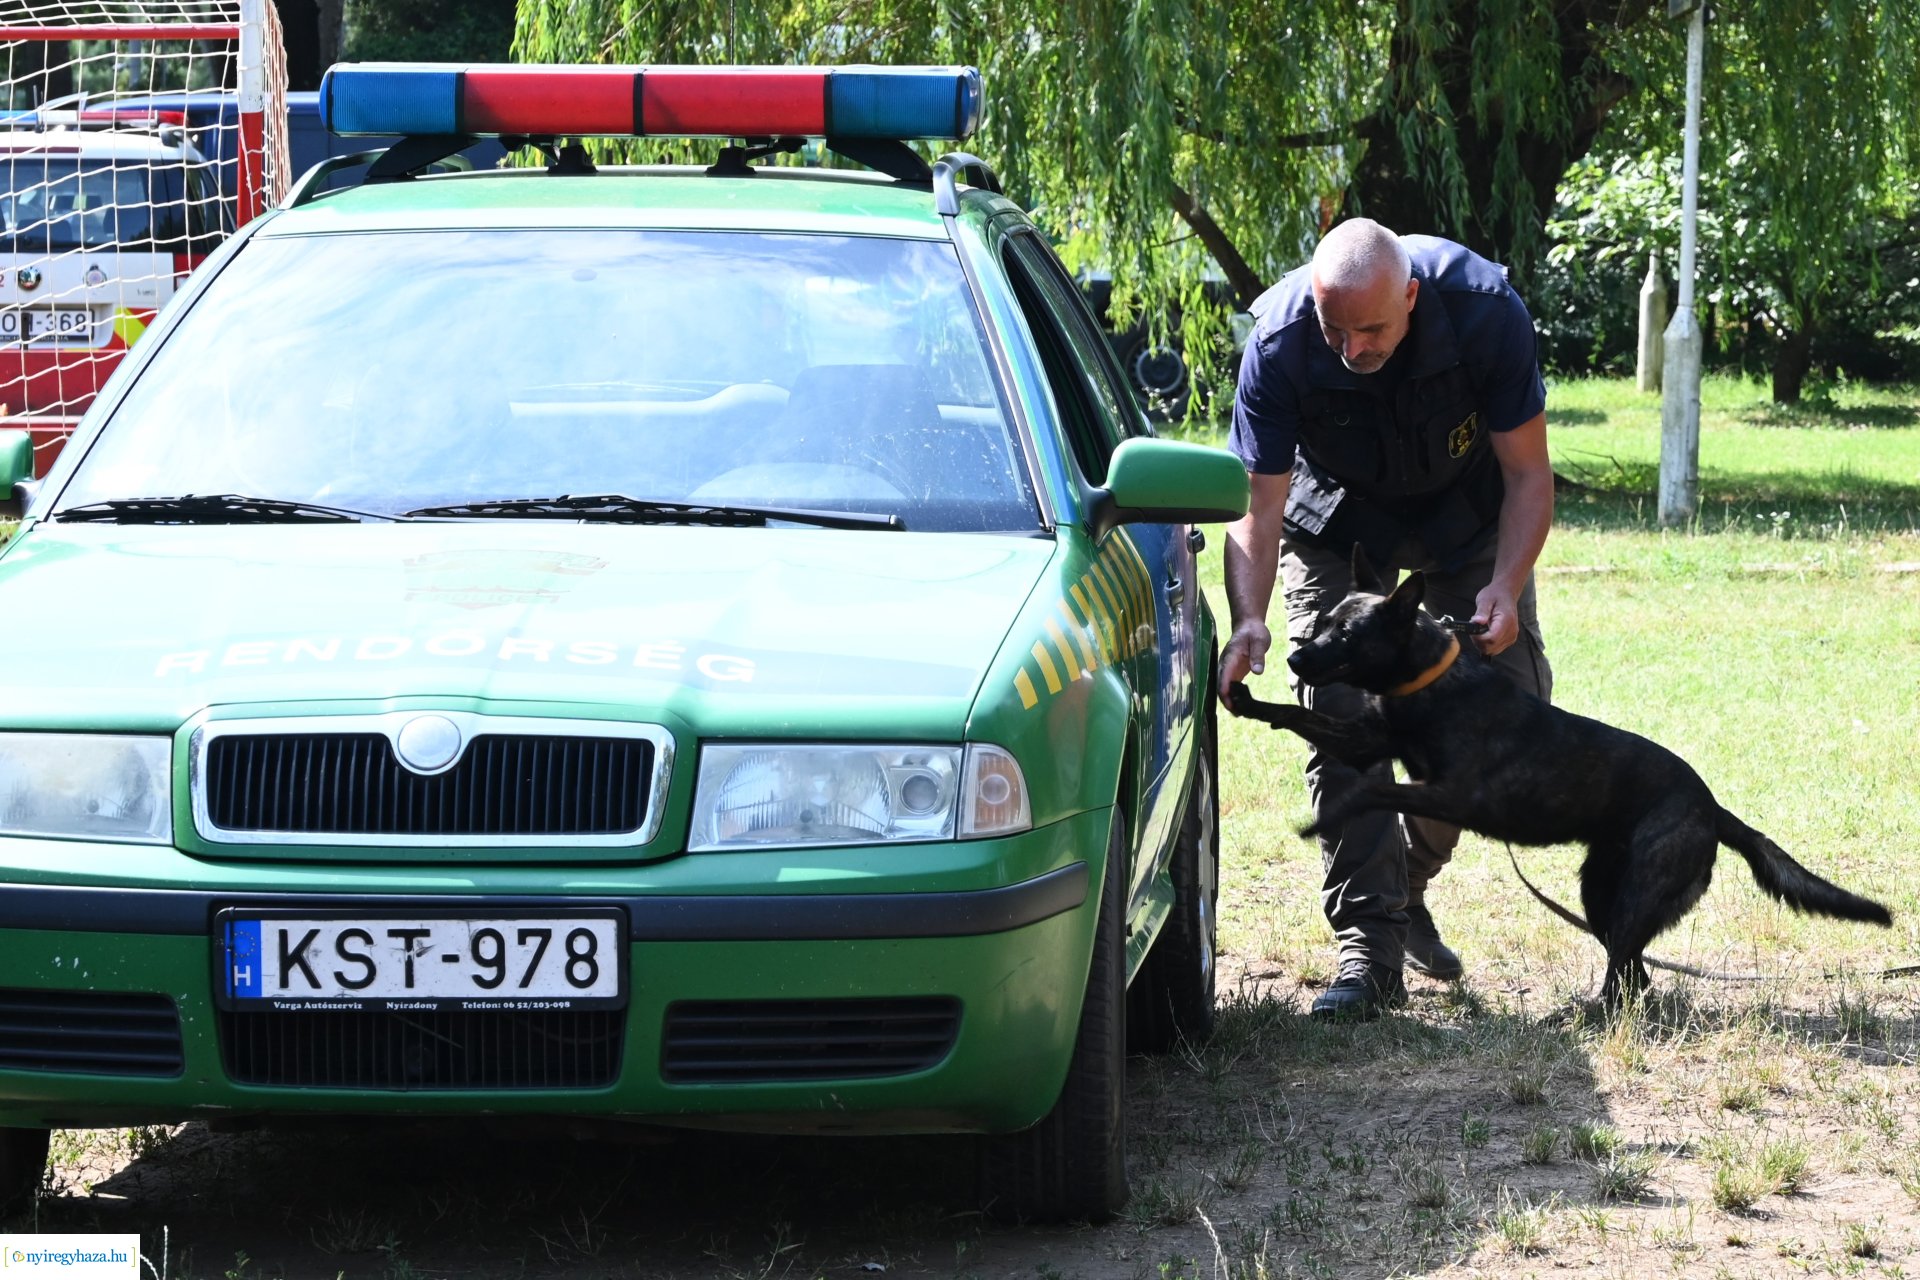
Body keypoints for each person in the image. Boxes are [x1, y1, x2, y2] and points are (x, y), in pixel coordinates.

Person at [1222, 218, 1556, 1020]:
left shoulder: (1485, 311)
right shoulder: (1279, 340)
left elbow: (1528, 474)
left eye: (1371, 329)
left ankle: (1402, 884)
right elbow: (1256, 509)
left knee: (1504, 714)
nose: (1351, 348)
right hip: (1335, 523)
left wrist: (1506, 586)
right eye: (1336, 328)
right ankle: (1368, 951)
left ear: (1410, 297)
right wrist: (1249, 619)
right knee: (1340, 708)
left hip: (1466, 521)